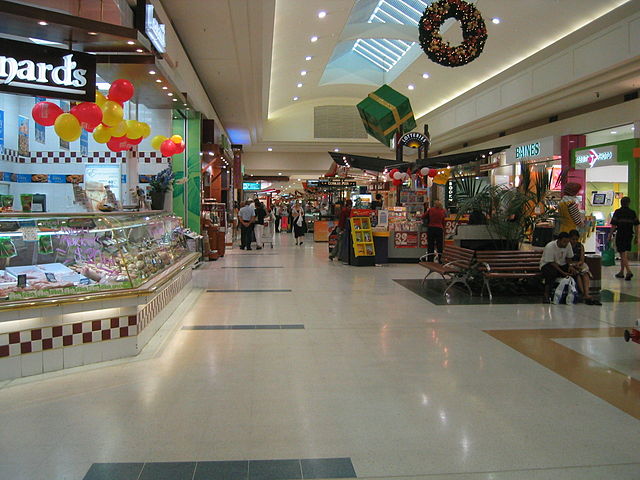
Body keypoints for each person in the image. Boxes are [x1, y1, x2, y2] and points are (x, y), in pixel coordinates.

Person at [540, 232, 576, 303]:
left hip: (562, 264)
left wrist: (571, 266)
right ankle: (546, 294)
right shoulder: (550, 246)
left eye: (567, 242)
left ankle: (574, 293)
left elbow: (569, 258)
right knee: (551, 273)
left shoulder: (568, 245)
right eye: (564, 242)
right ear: (559, 240)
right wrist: (563, 273)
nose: (566, 244)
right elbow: (552, 262)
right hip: (548, 265)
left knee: (575, 272)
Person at [568, 230, 601, 305]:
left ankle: (586, 293)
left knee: (585, 274)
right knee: (578, 275)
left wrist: (579, 264)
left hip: (579, 264)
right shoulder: (567, 246)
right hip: (570, 265)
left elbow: (582, 259)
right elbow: (567, 260)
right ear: (569, 238)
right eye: (573, 239)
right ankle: (584, 294)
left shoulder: (580, 246)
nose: (575, 241)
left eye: (576, 239)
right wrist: (573, 265)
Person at [610, 196, 639, 280]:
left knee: (622, 253)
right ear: (629, 203)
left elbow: (613, 225)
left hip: (621, 234)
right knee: (624, 253)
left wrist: (610, 235)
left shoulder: (618, 212)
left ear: (621, 203)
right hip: (629, 235)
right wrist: (637, 236)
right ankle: (621, 272)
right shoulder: (632, 213)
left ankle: (629, 271)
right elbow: (637, 225)